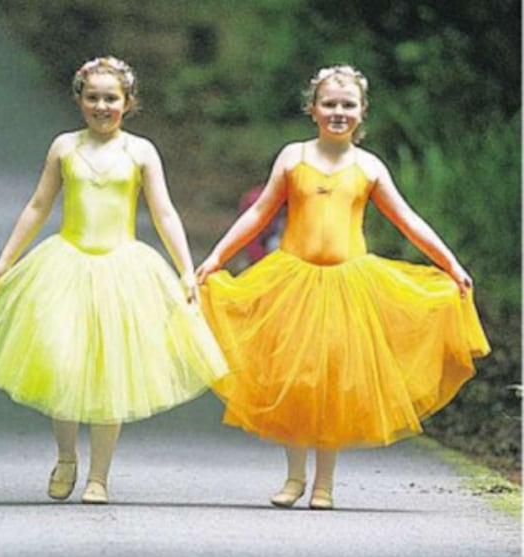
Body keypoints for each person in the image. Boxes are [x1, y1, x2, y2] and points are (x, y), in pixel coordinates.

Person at [194, 65, 490, 510]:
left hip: (348, 286)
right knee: (297, 379)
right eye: (329, 104)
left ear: (361, 112)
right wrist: (216, 257)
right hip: (292, 282)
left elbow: (407, 220)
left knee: (332, 382)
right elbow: (258, 215)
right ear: (312, 109)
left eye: (347, 105)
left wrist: (449, 262)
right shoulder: (293, 158)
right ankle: (294, 477)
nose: (338, 112)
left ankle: (324, 485)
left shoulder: (368, 167)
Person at [0, 57, 229, 504]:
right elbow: (38, 205)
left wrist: (187, 268)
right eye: (93, 97)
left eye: (111, 98)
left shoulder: (141, 151)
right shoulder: (64, 148)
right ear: (79, 100)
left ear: (128, 103)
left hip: (121, 266)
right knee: (62, 361)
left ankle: (99, 476)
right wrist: (6, 259)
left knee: (111, 370)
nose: (101, 106)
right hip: (66, 262)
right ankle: (67, 455)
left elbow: (164, 211)